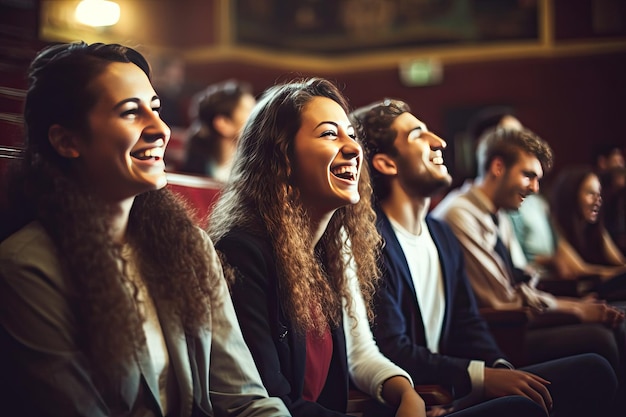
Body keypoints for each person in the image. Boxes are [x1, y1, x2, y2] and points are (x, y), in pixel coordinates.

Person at [0, 41, 290, 417]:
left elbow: (244, 399)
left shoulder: (191, 246)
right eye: (130, 113)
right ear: (66, 141)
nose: (160, 130)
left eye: (155, 109)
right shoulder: (25, 270)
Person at [353, 98, 619, 416]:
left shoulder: (440, 234)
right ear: (386, 164)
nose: (439, 142)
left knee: (593, 370)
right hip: (424, 395)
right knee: (529, 403)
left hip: (456, 384)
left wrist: (499, 367)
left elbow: (468, 323)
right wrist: (480, 378)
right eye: (417, 135)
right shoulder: (371, 242)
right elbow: (392, 349)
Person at [208, 78, 434, 417]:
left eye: (352, 135)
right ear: (282, 156)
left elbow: (359, 356)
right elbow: (274, 400)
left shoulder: (329, 250)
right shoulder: (241, 254)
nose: (354, 148)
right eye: (330, 134)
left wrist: (408, 396)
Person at [430, 127, 626, 409]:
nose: (535, 189)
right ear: (498, 167)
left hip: (514, 320)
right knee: (601, 340)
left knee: (616, 324)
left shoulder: (499, 212)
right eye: (528, 175)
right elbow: (503, 299)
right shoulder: (459, 213)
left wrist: (573, 306)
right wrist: (576, 309)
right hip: (495, 334)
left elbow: (523, 281)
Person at [550, 166, 626, 300]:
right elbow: (580, 270)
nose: (598, 200)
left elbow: (620, 262)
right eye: (591, 194)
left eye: (599, 194)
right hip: (572, 296)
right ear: (571, 196)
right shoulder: (554, 228)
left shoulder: (597, 230)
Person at [181, 80, 256, 182]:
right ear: (223, 123)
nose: (257, 118)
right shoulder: (196, 170)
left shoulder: (254, 168)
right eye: (249, 111)